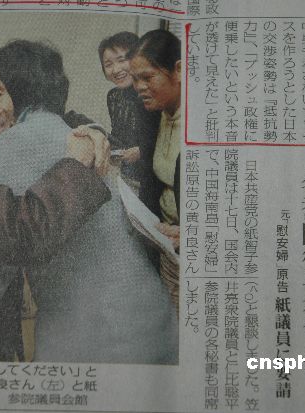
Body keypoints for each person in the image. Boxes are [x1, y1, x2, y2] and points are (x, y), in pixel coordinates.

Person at [0, 40, 178, 364]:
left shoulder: (15, 142)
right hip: (155, 320)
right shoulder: (69, 132)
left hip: (97, 337)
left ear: (12, 90)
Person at [129, 29, 181, 312]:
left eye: (147, 77)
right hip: (167, 249)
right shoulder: (152, 115)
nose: (139, 87)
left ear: (179, 71)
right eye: (135, 79)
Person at [98, 32, 160, 189]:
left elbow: (166, 140)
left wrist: (140, 151)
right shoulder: (114, 97)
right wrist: (109, 149)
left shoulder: (155, 93)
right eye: (108, 64)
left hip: (156, 180)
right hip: (128, 178)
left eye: (122, 60)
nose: (116, 69)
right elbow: (120, 135)